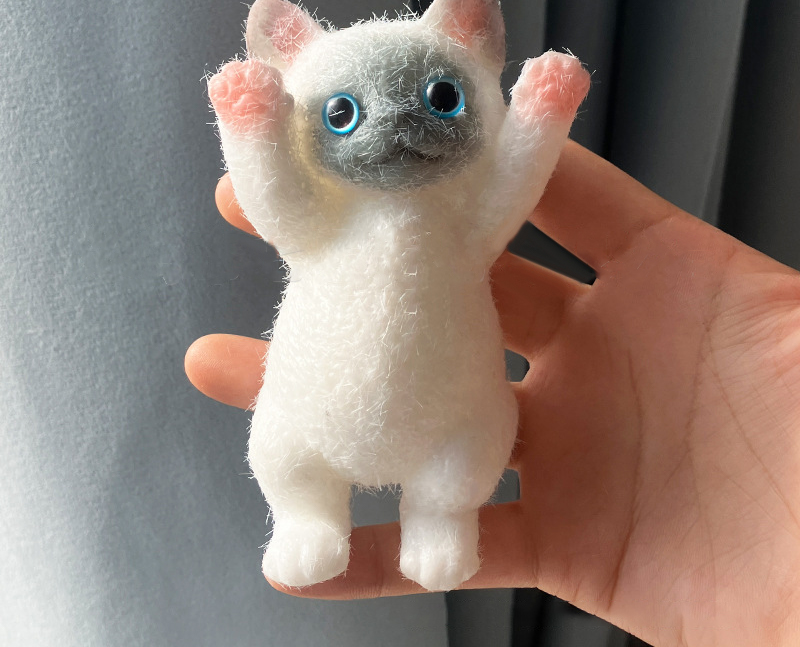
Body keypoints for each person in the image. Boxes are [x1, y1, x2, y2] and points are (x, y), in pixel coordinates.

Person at [185, 140, 800, 647]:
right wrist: (252, 129)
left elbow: (509, 187)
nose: (395, 132)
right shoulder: (320, 226)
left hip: (451, 429)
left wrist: (541, 117)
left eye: (441, 99)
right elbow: (276, 204)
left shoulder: (462, 228)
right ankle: (308, 515)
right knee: (284, 448)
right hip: (309, 418)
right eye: (341, 114)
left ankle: (440, 516)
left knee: (469, 449)